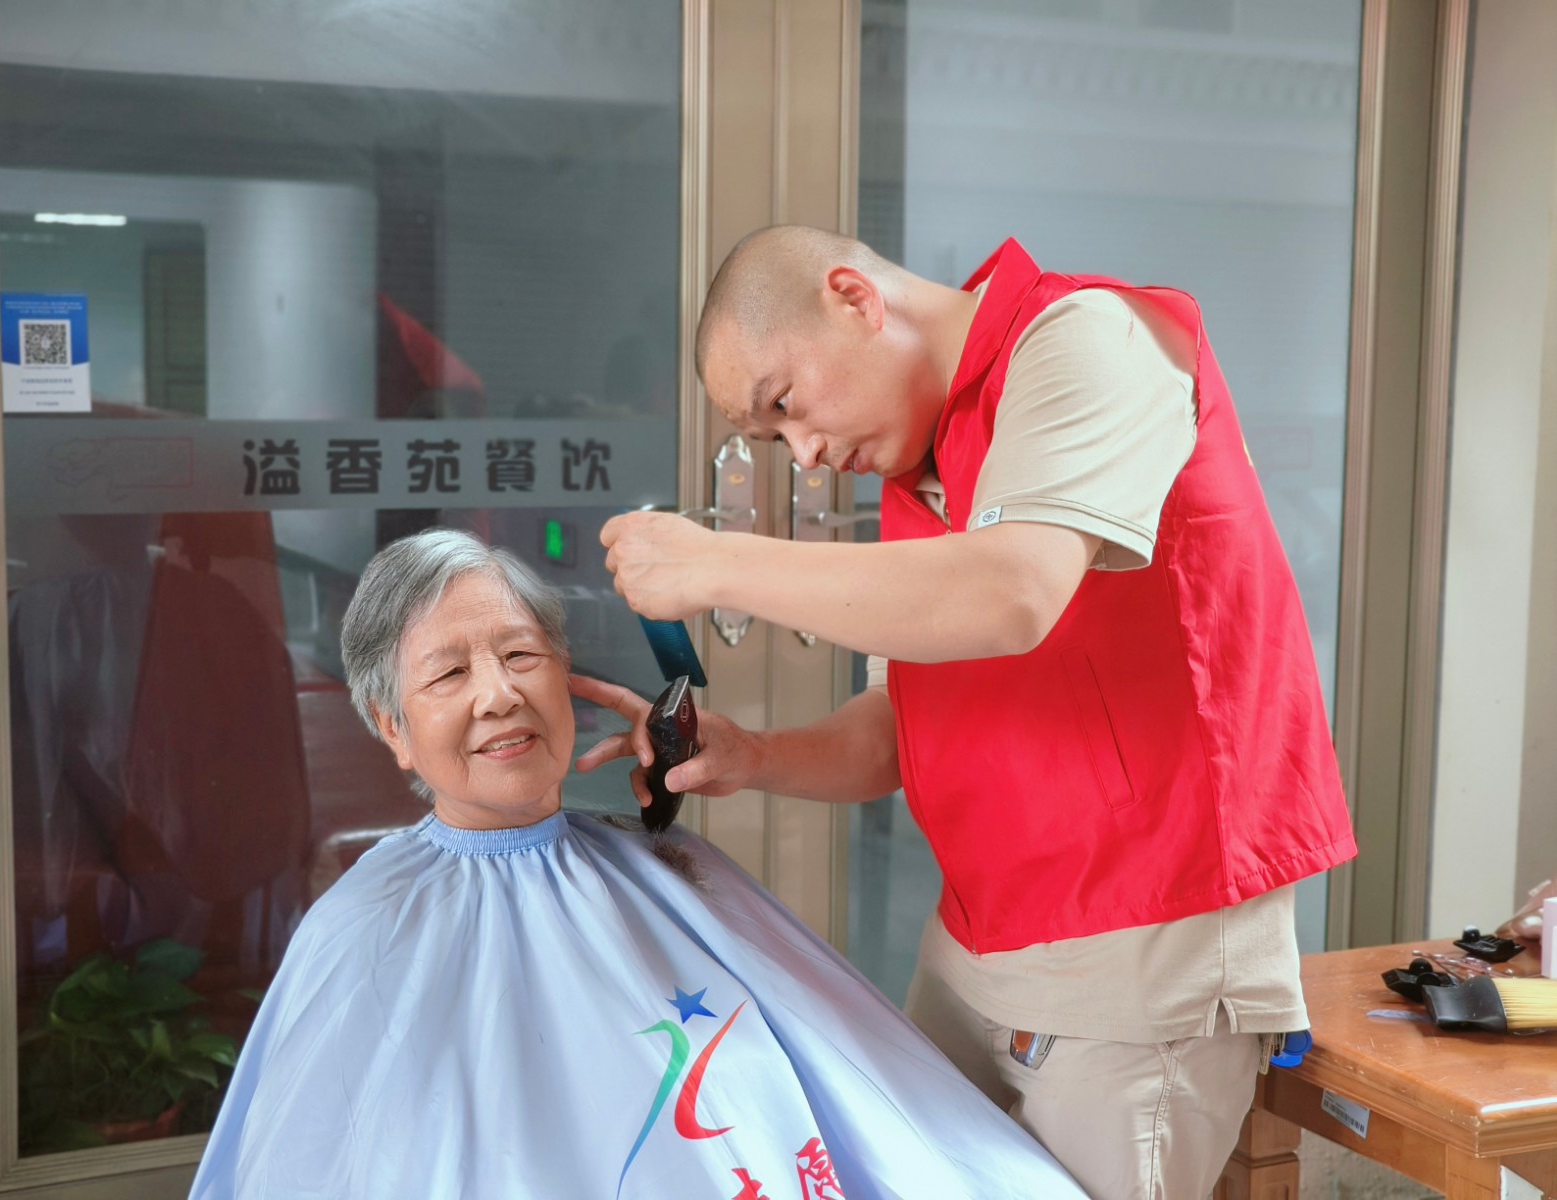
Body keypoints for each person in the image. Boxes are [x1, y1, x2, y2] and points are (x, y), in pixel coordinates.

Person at [592, 226, 1358, 1200]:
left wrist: (715, 562)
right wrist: (756, 756)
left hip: (1139, 938)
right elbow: (900, 724)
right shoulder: (922, 463)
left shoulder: (1093, 339)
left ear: (854, 298)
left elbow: (1012, 593)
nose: (809, 455)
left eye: (785, 405)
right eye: (775, 442)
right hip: (979, 938)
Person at [188, 528, 1085, 1200]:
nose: (499, 693)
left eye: (520, 655)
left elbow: (849, 1098)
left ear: (567, 677)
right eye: (448, 675)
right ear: (393, 729)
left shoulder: (663, 862)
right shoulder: (363, 928)